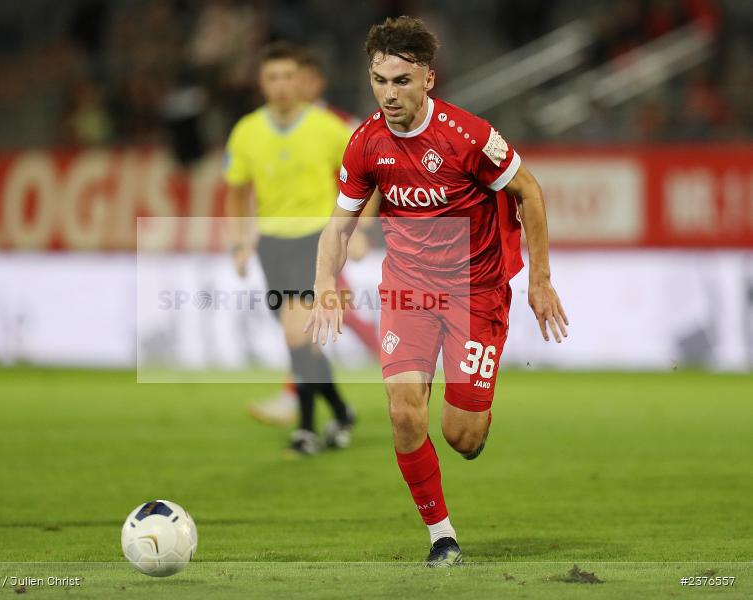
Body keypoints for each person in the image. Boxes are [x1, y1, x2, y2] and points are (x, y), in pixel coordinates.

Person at [305, 16, 569, 565]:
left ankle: (473, 414)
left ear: (428, 78)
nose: (388, 93)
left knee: (461, 436)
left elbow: (529, 191)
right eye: (379, 80)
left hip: (477, 293)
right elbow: (339, 225)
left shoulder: (467, 136)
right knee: (404, 413)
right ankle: (441, 536)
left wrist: (540, 279)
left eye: (401, 81)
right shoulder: (365, 144)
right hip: (409, 290)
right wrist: (324, 281)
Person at [224, 42, 356, 455]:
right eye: (273, 77)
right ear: (262, 83)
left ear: (301, 81)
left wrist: (359, 229)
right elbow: (236, 192)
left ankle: (305, 430)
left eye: (288, 76)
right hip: (272, 244)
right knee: (302, 341)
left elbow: (365, 178)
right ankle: (341, 412)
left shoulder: (328, 128)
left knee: (298, 333)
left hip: (317, 240)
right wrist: (240, 242)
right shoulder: (247, 131)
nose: (281, 85)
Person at [247, 48, 381, 428]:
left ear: (317, 82)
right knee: (330, 312)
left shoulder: (337, 124)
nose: (290, 87)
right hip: (292, 240)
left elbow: (368, 176)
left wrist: (360, 229)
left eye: (299, 79)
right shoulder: (276, 127)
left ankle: (298, 401)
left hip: (326, 235)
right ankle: (389, 370)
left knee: (308, 317)